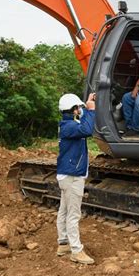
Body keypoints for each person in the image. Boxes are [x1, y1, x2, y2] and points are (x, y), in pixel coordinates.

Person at [56, 92, 96, 264]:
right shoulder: (69, 127)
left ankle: (63, 243)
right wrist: (91, 110)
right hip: (72, 176)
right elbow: (88, 129)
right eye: (79, 107)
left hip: (68, 174)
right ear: (73, 110)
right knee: (73, 215)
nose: (81, 109)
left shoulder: (69, 125)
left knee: (64, 210)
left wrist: (86, 107)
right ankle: (76, 250)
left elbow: (83, 126)